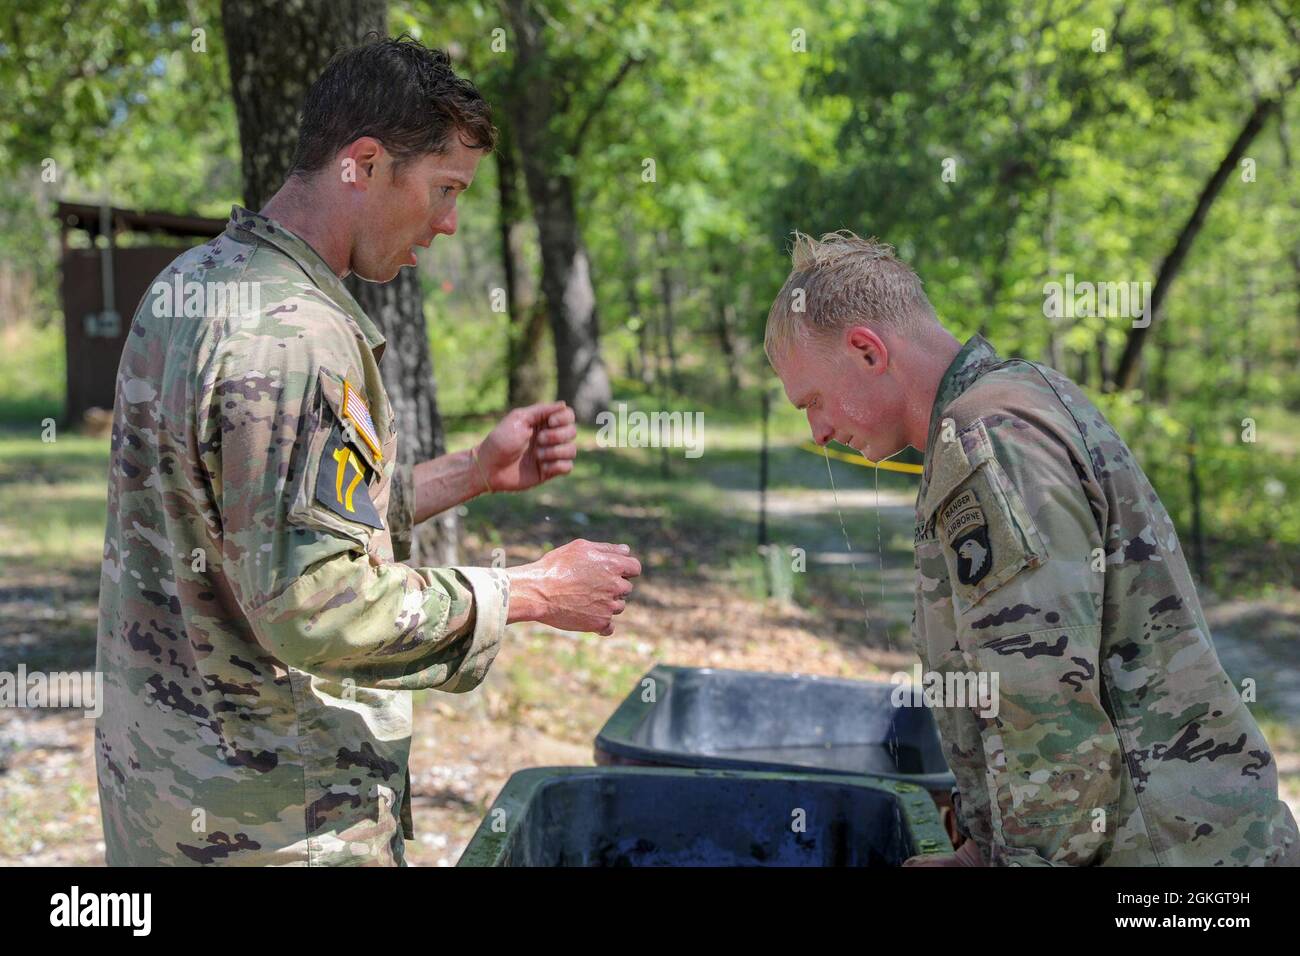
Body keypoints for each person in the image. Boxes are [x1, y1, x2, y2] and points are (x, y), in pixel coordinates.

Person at [94, 36, 640, 866]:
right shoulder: (298, 336)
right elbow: (316, 604)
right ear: (365, 163)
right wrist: (528, 592)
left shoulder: (193, 282)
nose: (450, 223)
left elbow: (249, 518)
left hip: (162, 798)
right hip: (277, 821)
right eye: (444, 189)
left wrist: (473, 473)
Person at [764, 230, 1299, 866]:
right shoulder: (1014, 400)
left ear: (866, 351)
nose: (818, 430)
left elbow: (1045, 706)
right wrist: (979, 850)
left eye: (814, 401)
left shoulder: (988, 436)